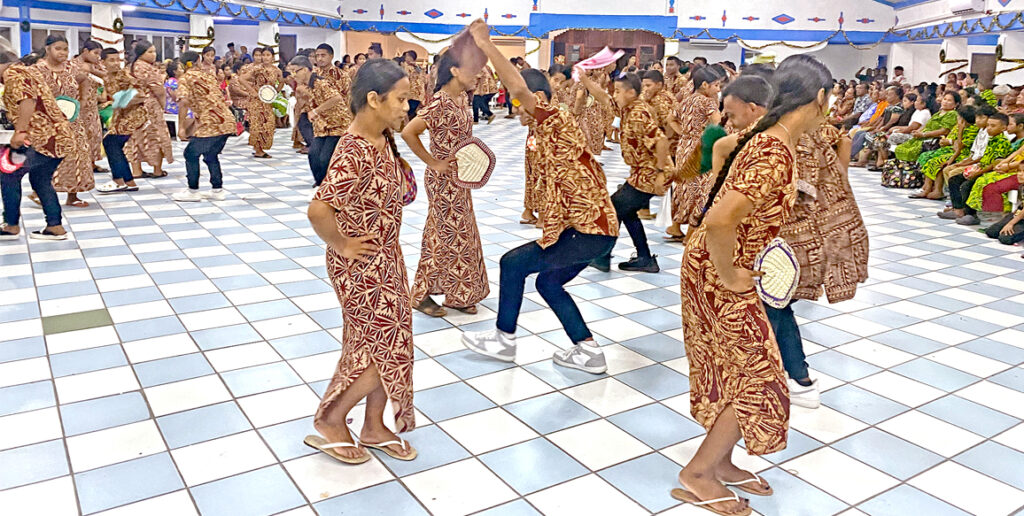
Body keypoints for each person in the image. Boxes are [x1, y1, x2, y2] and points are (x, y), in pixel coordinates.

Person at [674, 54, 832, 514]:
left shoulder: (769, 138)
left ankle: (719, 462)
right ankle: (697, 473)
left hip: (714, 262)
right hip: (720, 269)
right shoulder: (774, 148)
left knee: (735, 370)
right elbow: (721, 219)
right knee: (760, 377)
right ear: (821, 98)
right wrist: (729, 274)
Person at [461, 19, 618, 374]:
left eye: (519, 104)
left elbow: (517, 86)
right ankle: (589, 351)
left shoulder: (554, 117)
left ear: (539, 99)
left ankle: (504, 339)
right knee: (548, 283)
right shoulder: (541, 130)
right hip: (589, 230)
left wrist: (485, 44)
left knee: (513, 264)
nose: (515, 108)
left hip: (590, 230)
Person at [305, 58, 417, 464]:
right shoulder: (353, 150)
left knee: (378, 344)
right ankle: (331, 419)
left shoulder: (382, 139)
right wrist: (343, 245)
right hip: (361, 266)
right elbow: (318, 210)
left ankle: (373, 426)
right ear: (374, 99)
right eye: (401, 99)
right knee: (387, 348)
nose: (407, 107)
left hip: (387, 258)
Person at [401, 51, 490, 317]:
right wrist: (434, 162)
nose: (479, 75)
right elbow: (409, 132)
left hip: (460, 178)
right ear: (454, 71)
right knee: (443, 234)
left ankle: (460, 293)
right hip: (443, 181)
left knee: (460, 233)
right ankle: (421, 294)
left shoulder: (461, 98)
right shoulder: (440, 102)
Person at [581, 71, 670, 273]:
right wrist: (585, 80)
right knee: (626, 211)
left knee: (613, 208)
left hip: (649, 173)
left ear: (631, 93)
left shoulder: (638, 113)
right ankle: (644, 258)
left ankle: (603, 257)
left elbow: (661, 141)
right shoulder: (627, 108)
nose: (615, 95)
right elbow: (603, 97)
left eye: (618, 91)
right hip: (640, 172)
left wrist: (660, 173)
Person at [0, 51, 73, 241]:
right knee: (40, 179)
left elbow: (28, 100)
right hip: (59, 135)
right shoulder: (28, 71)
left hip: (43, 138)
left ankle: (11, 225)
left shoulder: (13, 74)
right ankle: (55, 226)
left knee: (8, 173)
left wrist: (20, 131)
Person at [34, 35, 93, 208]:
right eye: (58, 48)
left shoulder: (71, 68)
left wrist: (82, 100)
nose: (62, 53)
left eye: (65, 49)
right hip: (48, 122)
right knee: (48, 156)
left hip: (72, 120)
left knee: (76, 155)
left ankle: (72, 195)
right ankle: (39, 193)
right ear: (47, 49)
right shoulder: (38, 70)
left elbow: (84, 80)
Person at [666, 66, 723, 241]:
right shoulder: (708, 102)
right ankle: (691, 233)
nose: (718, 89)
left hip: (684, 146)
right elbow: (717, 123)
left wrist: (683, 132)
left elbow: (670, 118)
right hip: (700, 148)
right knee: (702, 188)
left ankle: (675, 226)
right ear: (705, 85)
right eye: (716, 85)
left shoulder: (686, 100)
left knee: (683, 186)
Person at [172, 51, 235, 202]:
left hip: (210, 123)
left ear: (183, 65)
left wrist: (181, 127)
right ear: (198, 61)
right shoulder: (208, 76)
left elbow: (183, 102)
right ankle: (217, 190)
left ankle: (193, 191)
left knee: (190, 154)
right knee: (211, 155)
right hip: (226, 121)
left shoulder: (185, 78)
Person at [97, 41, 148, 194]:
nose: (115, 63)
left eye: (117, 60)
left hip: (134, 114)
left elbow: (141, 95)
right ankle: (129, 182)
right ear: (103, 62)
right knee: (112, 143)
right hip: (121, 115)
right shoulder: (107, 77)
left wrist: (122, 102)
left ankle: (119, 181)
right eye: (111, 60)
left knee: (111, 142)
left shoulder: (124, 76)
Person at [290, 55, 347, 187]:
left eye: (295, 71)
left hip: (337, 125)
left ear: (305, 70)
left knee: (325, 157)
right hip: (322, 126)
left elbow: (337, 98)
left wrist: (316, 111)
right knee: (313, 154)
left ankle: (328, 185)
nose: (293, 75)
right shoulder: (306, 86)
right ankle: (321, 183)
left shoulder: (320, 83)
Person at [125, 40, 173, 178]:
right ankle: (157, 170)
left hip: (132, 106)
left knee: (134, 137)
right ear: (141, 53)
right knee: (155, 136)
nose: (154, 55)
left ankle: (137, 171)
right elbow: (159, 91)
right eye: (150, 52)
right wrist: (162, 106)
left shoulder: (129, 68)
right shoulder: (148, 69)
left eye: (154, 51)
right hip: (150, 106)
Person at [914, 105, 979, 199]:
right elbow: (954, 142)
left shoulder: (972, 130)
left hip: (963, 154)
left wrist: (960, 131)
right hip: (953, 151)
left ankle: (938, 191)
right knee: (929, 158)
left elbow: (959, 147)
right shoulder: (959, 127)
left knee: (936, 162)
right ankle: (927, 188)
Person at [243, 47, 282, 158]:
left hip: (268, 101)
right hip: (256, 101)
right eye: (263, 55)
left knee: (269, 124)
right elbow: (242, 79)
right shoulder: (257, 69)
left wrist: (275, 92)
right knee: (257, 124)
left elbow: (281, 82)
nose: (265, 57)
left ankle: (260, 147)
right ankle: (258, 150)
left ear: (273, 57)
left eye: (268, 55)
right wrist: (252, 91)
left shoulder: (276, 70)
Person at [73, 41, 104, 175]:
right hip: (79, 105)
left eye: (99, 54)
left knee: (95, 134)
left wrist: (94, 70)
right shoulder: (73, 64)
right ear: (85, 51)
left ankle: (92, 163)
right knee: (80, 135)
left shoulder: (96, 65)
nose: (97, 56)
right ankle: (80, 164)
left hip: (92, 105)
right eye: (95, 53)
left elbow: (107, 75)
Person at [403, 50, 426, 119]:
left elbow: (423, 79)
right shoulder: (406, 66)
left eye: (406, 56)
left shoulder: (417, 67)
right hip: (412, 94)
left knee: (411, 112)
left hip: (414, 94)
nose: (405, 58)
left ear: (411, 57)